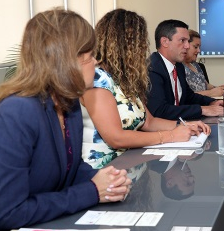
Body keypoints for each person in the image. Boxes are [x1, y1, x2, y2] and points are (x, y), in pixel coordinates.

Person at [0, 9, 131, 231]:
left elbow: (69, 167)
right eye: (89, 55)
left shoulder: (68, 103)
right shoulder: (15, 114)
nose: (96, 62)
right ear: (67, 61)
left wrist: (106, 178)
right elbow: (7, 213)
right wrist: (92, 191)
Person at [81, 9, 210, 169]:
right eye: (140, 43)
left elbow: (149, 122)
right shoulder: (97, 79)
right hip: (106, 172)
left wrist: (184, 126)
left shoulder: (125, 78)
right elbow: (116, 138)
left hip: (131, 166)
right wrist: (171, 135)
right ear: (124, 44)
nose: (143, 49)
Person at [147, 19, 224, 120]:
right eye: (182, 40)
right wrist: (202, 110)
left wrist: (211, 102)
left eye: (187, 41)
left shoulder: (178, 66)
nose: (187, 46)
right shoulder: (152, 68)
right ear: (165, 42)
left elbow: (188, 96)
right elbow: (160, 111)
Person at [183, 29, 224, 97]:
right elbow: (186, 96)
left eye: (199, 47)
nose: (199, 50)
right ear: (185, 46)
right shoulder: (178, 68)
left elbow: (206, 85)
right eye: (195, 47)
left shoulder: (196, 65)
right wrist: (211, 93)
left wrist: (218, 88)